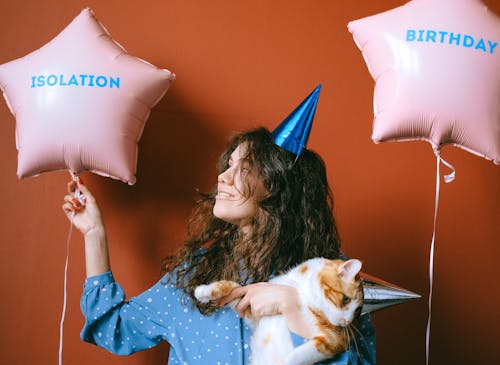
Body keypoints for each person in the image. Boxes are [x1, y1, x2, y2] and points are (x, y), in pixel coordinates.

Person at [63, 86, 376, 364]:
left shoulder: (332, 282)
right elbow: (114, 329)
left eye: (244, 168)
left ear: (278, 187)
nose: (222, 177)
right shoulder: (192, 276)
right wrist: (94, 234)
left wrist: (295, 310)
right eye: (228, 165)